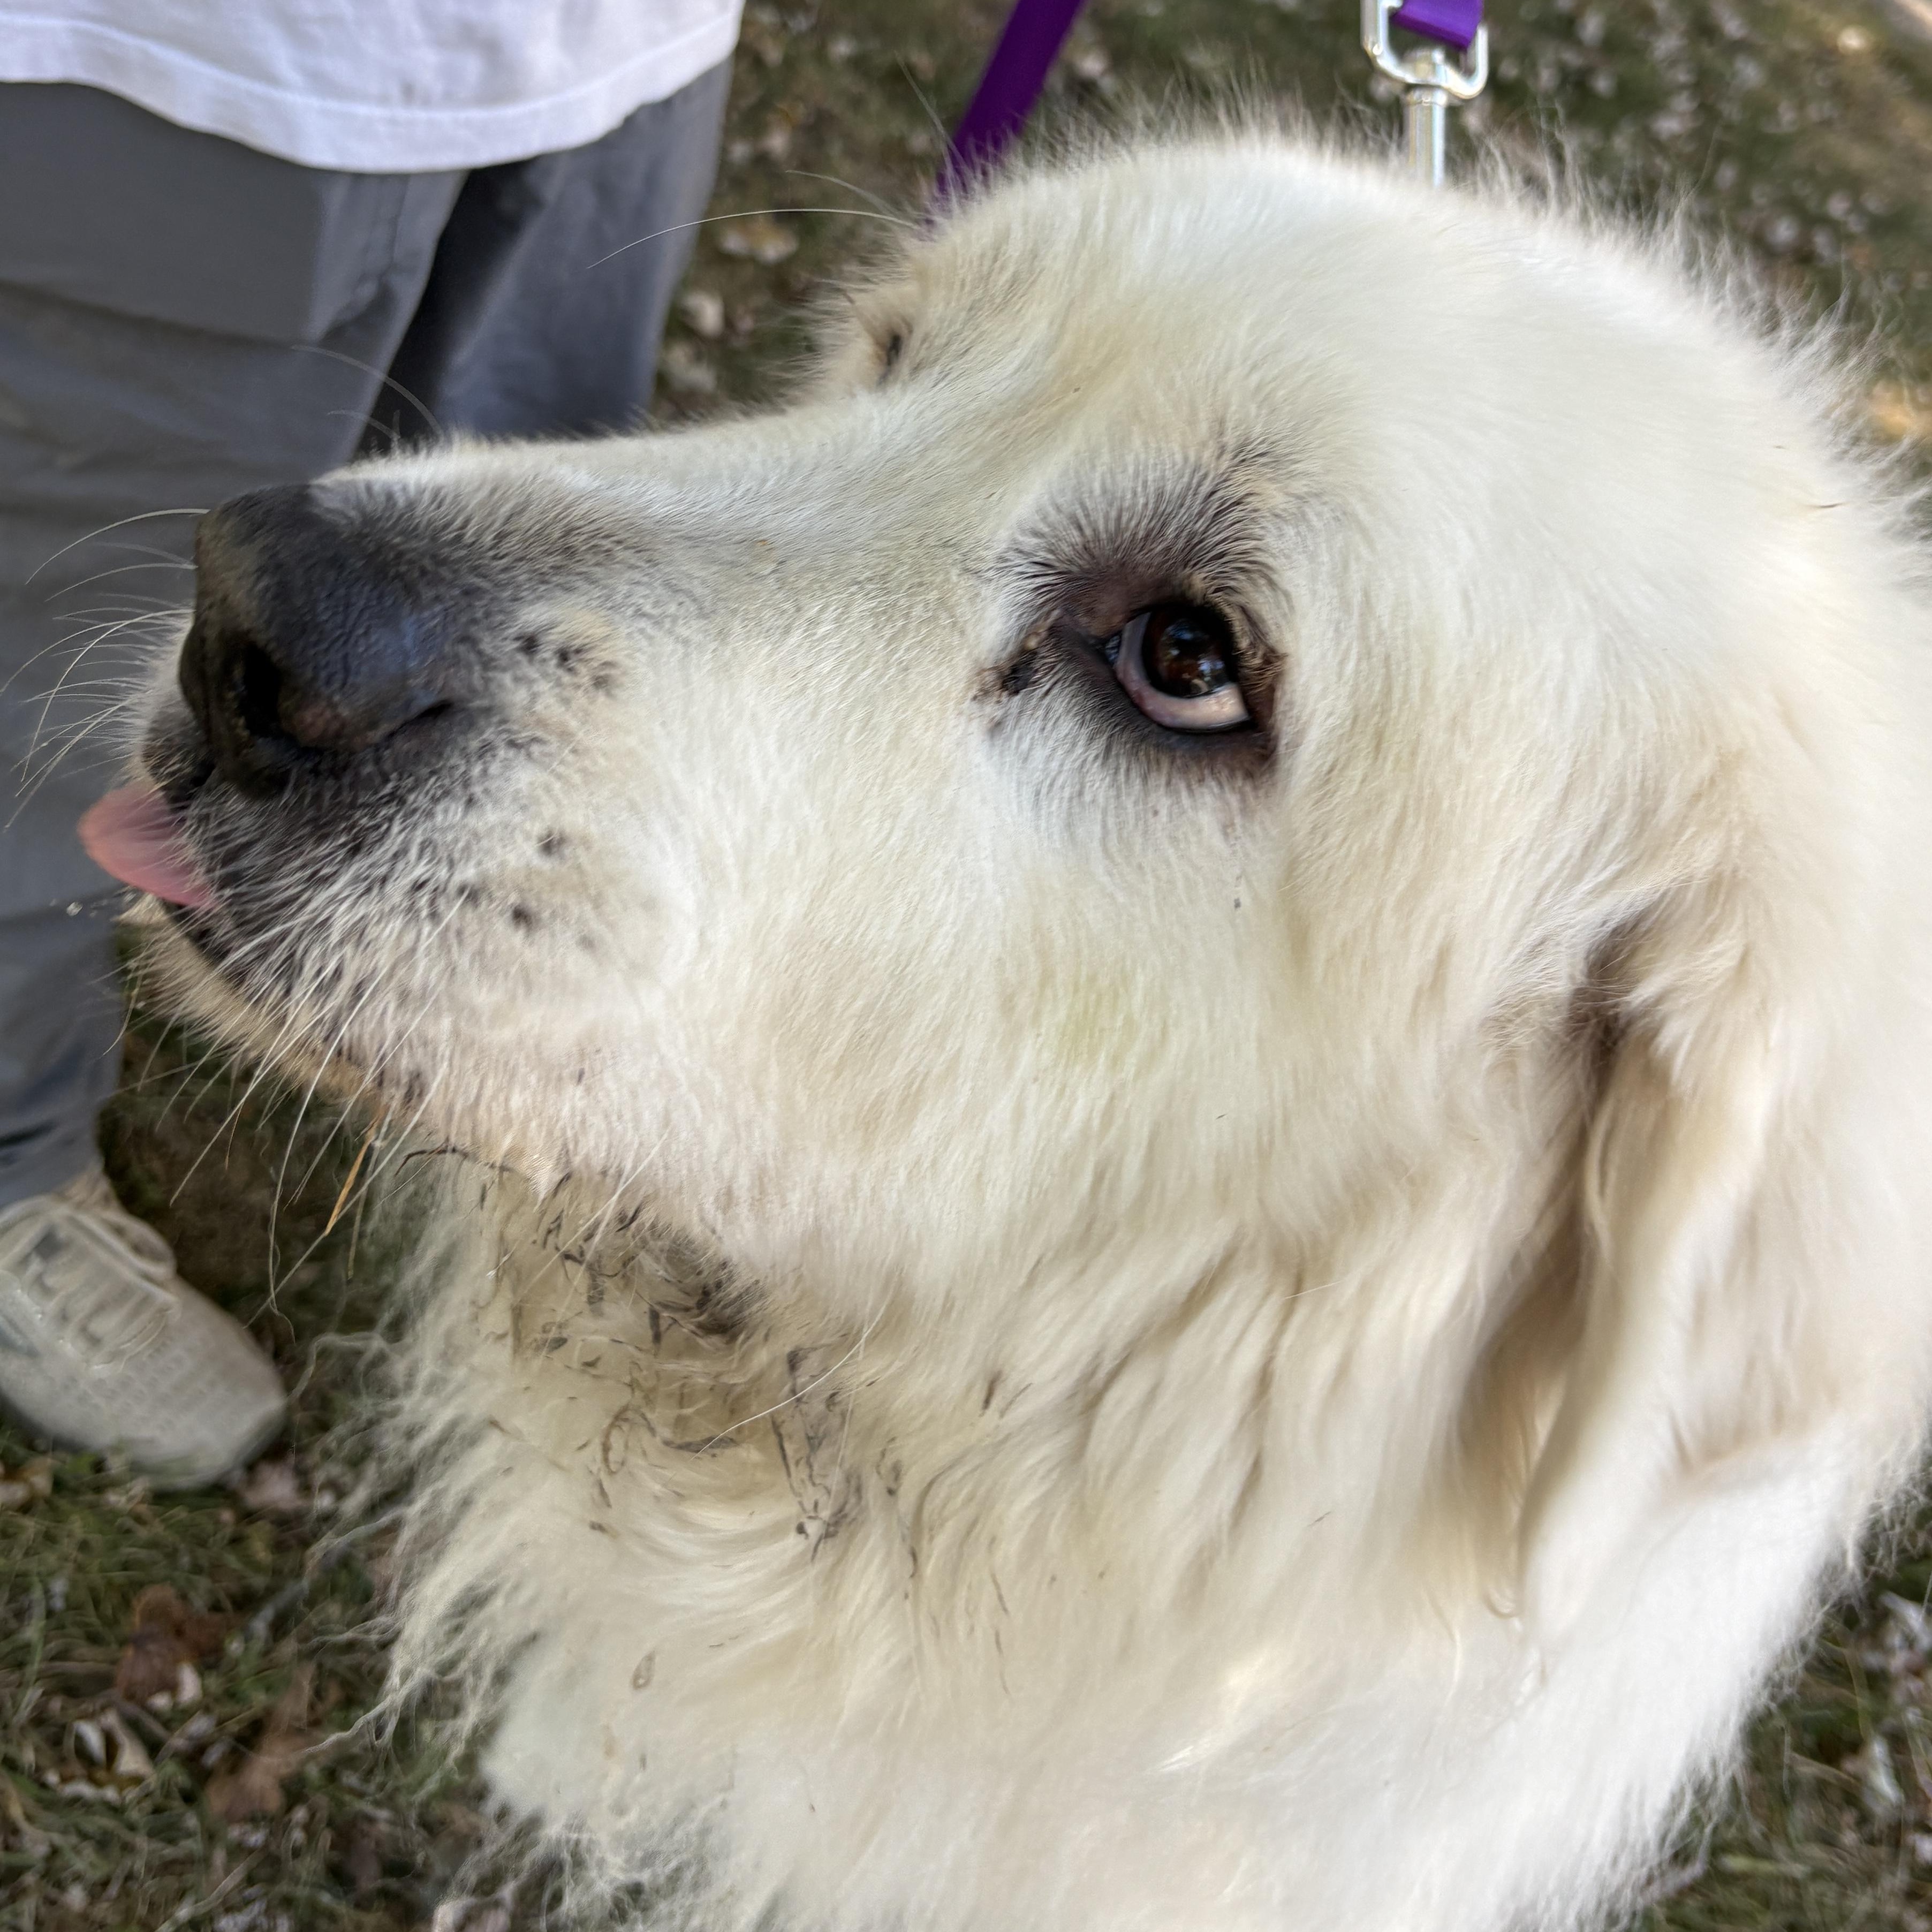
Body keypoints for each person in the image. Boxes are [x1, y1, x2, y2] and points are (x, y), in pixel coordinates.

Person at [0, 0, 740, 1484]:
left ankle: (393, 1001)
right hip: (197, 65)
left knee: (495, 639)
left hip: (623, 66)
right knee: (56, 681)